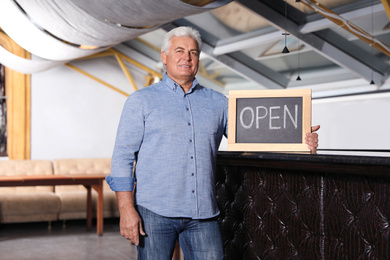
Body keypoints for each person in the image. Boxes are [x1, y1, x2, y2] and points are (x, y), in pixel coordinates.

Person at [106, 26, 320, 260]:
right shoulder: (140, 101)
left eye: (193, 52)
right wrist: (126, 210)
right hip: (154, 213)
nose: (187, 57)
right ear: (164, 57)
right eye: (179, 50)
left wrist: (299, 142)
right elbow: (122, 158)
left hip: (203, 215)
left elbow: (253, 141)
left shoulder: (220, 103)